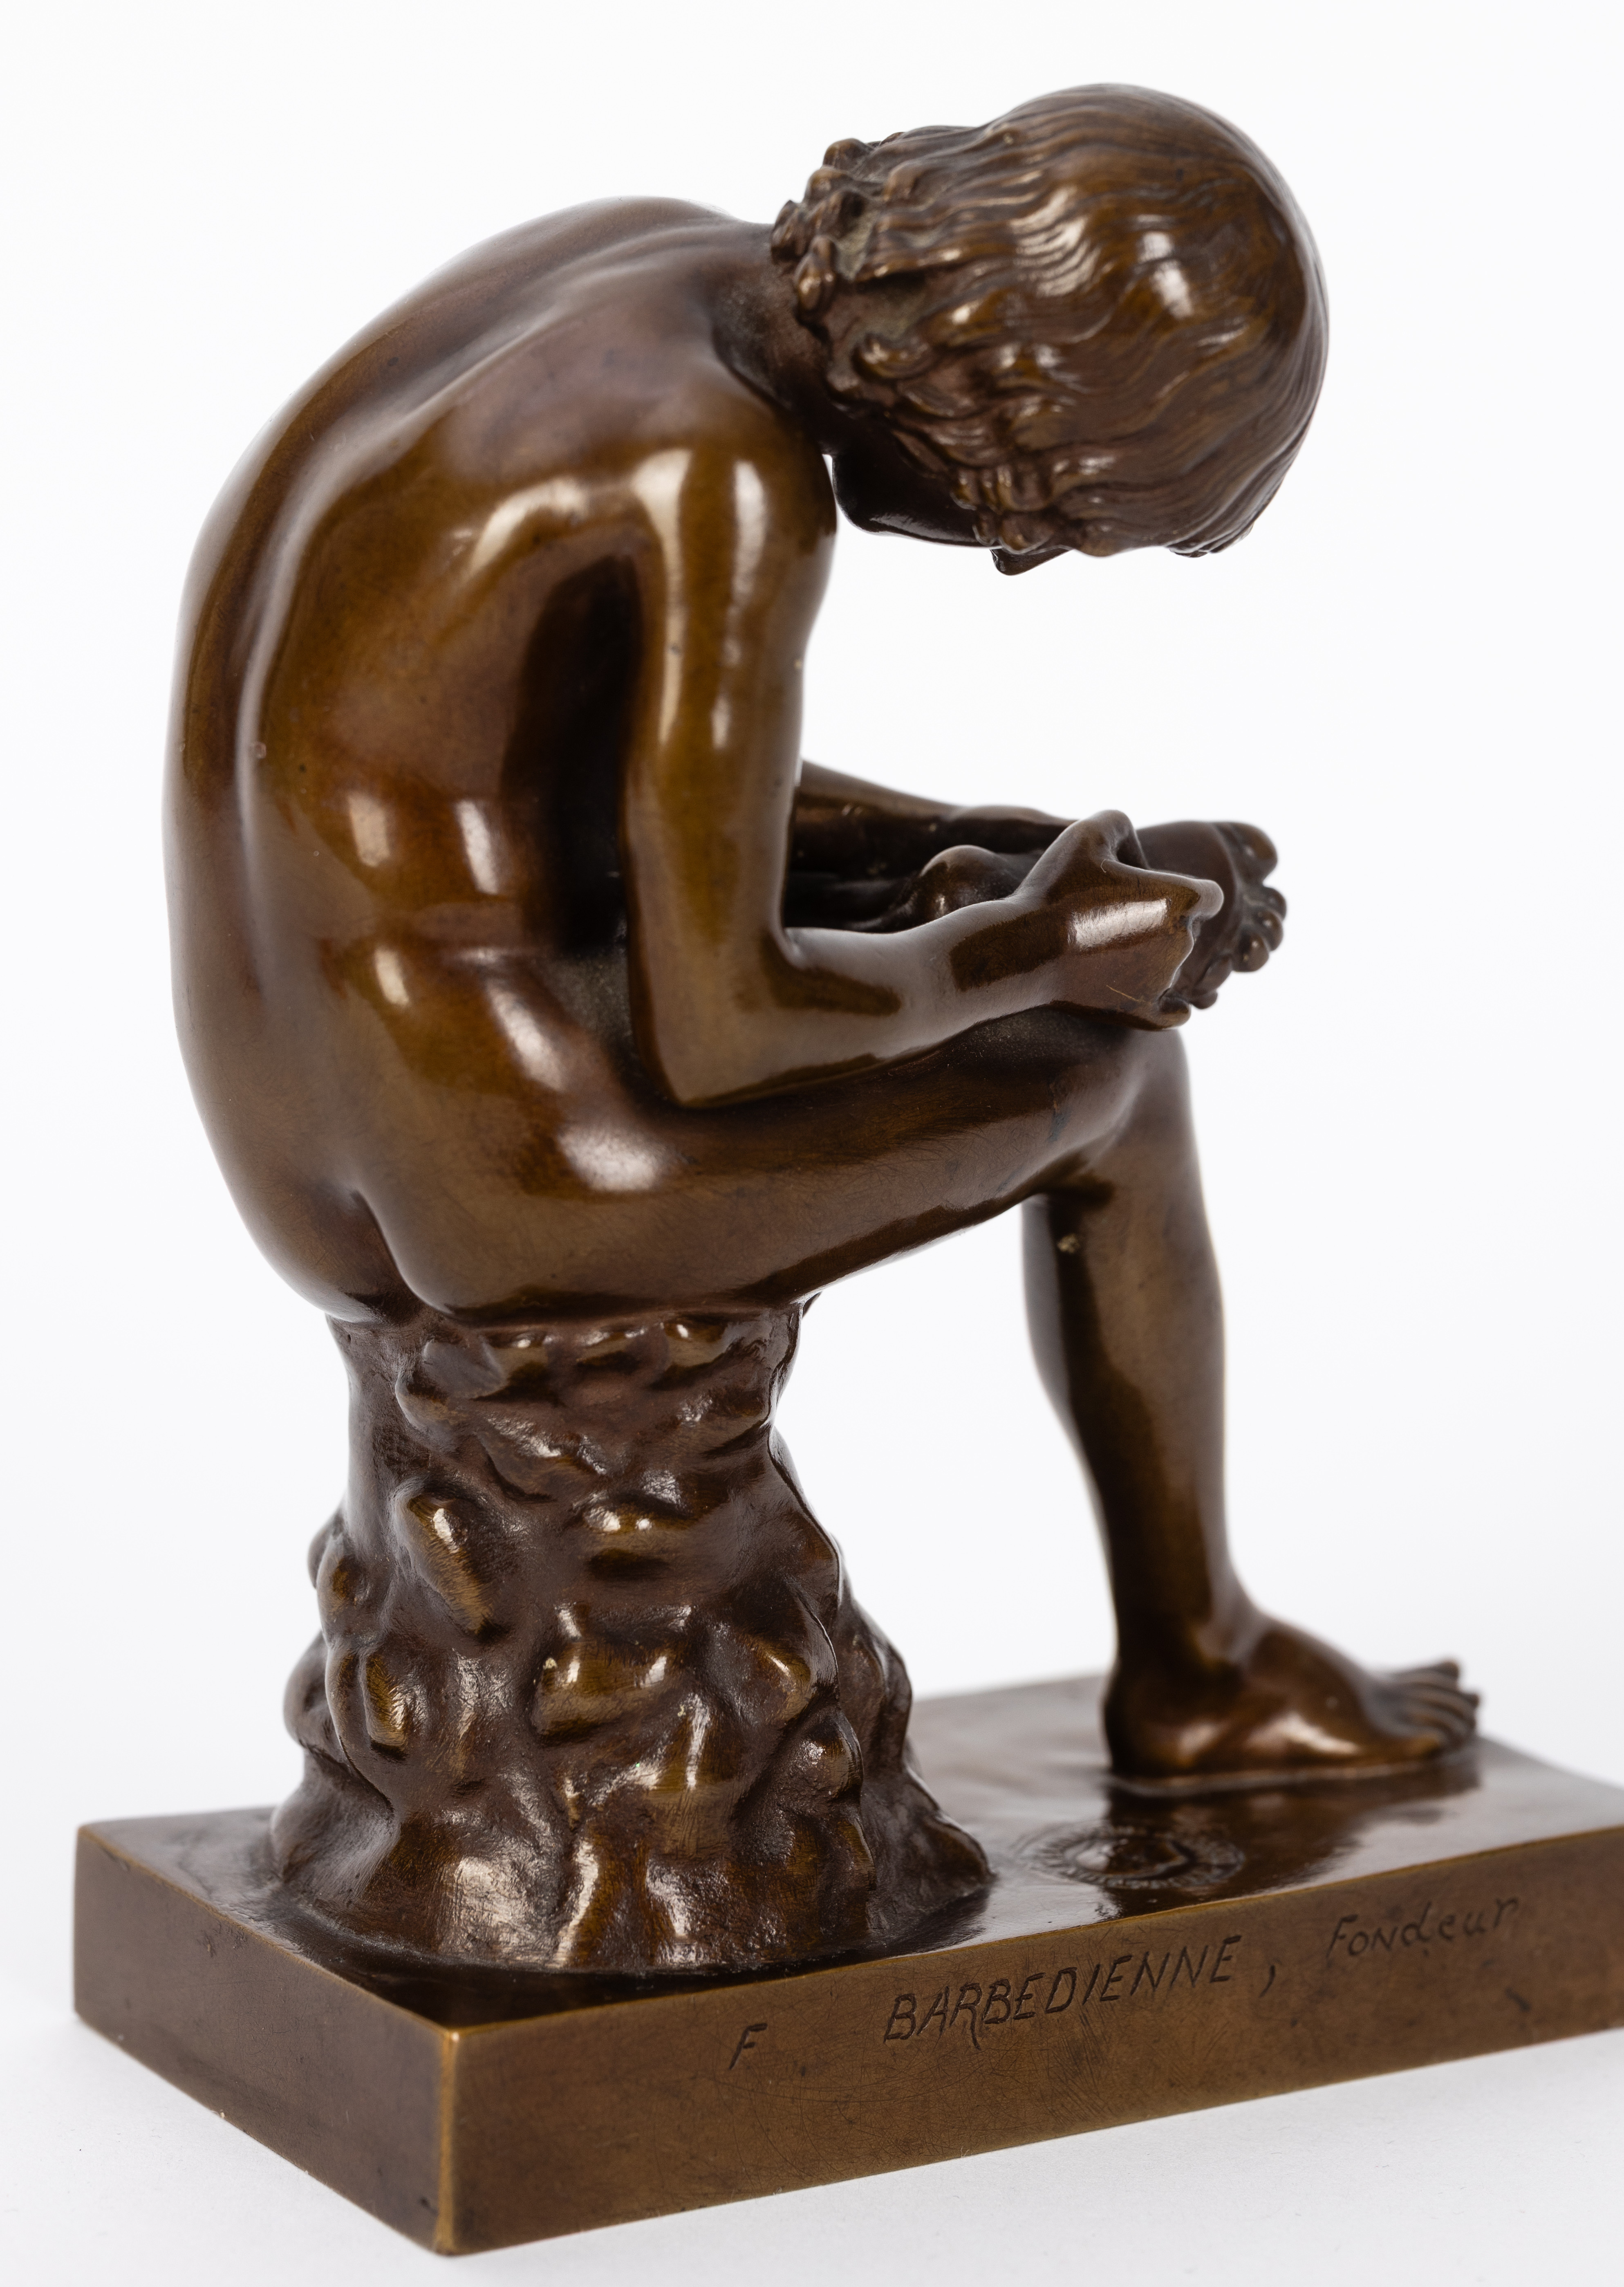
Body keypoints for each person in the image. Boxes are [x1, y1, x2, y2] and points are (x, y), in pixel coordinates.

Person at [169, 83, 1475, 1806]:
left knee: (1041, 994)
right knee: (1120, 1086)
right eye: (1044, 513)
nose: (1011, 559)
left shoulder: (629, 276)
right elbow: (726, 1030)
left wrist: (988, 854)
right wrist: (1041, 953)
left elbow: (587, 797)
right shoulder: (727, 481)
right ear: (1008, 405)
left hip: (317, 1121)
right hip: (509, 1182)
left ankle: (1204, 1662)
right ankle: (1201, 1669)